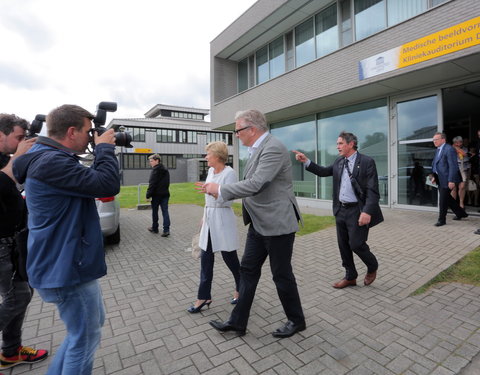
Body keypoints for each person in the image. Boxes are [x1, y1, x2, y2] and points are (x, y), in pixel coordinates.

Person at [12, 105, 120, 375]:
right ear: (72, 132)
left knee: (83, 332)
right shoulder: (51, 162)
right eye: (88, 131)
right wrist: (105, 148)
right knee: (84, 338)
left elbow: (93, 180)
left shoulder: (47, 157)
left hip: (64, 264)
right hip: (65, 268)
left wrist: (98, 148)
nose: (92, 137)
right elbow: (107, 184)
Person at [202, 109, 305, 338]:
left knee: (281, 274)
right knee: (247, 270)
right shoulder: (256, 149)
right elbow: (251, 182)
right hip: (258, 223)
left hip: (278, 223)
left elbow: (257, 183)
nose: (236, 134)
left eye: (237, 130)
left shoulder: (274, 148)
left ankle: (296, 320)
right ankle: (238, 322)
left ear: (252, 129)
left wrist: (221, 190)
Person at [293, 131, 383, 289]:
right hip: (341, 210)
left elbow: (372, 190)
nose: (337, 147)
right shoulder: (339, 161)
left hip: (358, 210)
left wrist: (367, 211)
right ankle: (350, 276)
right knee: (343, 246)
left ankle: (372, 265)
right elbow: (323, 172)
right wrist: (306, 161)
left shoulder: (367, 162)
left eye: (340, 143)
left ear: (351, 144)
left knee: (356, 244)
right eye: (337, 144)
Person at [0, 114, 48, 372]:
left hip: (14, 241)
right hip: (1, 245)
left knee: (22, 294)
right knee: (16, 297)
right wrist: (17, 157)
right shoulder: (8, 160)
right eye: (19, 138)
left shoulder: (5, 159)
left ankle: (10, 352)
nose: (22, 143)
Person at [188, 141, 240, 313]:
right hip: (210, 219)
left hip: (223, 220)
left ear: (217, 156)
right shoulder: (210, 171)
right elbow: (207, 197)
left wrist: (213, 192)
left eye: (208, 154)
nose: (206, 157)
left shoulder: (229, 173)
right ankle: (204, 296)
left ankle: (241, 288)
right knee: (206, 259)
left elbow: (230, 199)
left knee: (229, 258)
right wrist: (204, 216)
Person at [430, 132, 468, 226]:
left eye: (436, 139)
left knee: (443, 200)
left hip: (447, 179)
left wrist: (451, 180)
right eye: (433, 140)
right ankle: (461, 213)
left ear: (443, 139)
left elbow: (453, 166)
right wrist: (434, 176)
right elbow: (435, 164)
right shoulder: (438, 149)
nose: (434, 141)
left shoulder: (449, 149)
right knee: (448, 198)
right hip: (439, 178)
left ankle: (441, 220)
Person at [146, 154, 171, 236]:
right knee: (165, 212)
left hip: (156, 195)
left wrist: (148, 195)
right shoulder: (165, 170)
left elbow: (152, 184)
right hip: (165, 194)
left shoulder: (155, 170)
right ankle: (166, 230)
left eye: (151, 161)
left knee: (155, 212)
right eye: (150, 161)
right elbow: (167, 183)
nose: (150, 163)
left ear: (157, 160)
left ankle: (155, 228)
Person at [451, 136, 470, 209]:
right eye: (456, 142)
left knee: (462, 187)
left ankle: (461, 203)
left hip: (463, 170)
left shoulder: (465, 149)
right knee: (453, 188)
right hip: (454, 170)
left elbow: (464, 154)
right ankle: (454, 204)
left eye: (460, 142)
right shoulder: (451, 149)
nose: (458, 143)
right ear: (454, 143)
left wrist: (456, 148)